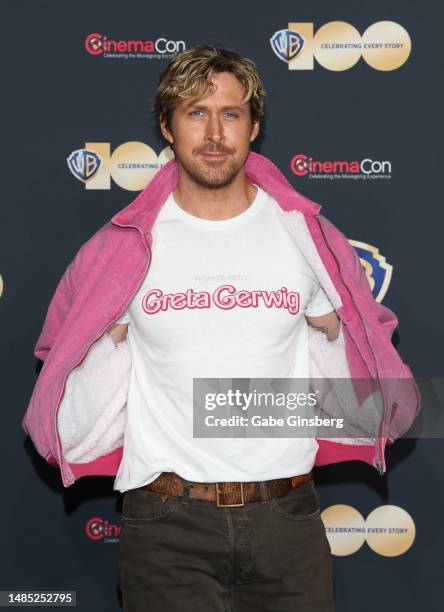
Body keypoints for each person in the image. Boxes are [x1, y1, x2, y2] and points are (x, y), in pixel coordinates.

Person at [22, 44, 420, 612]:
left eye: (230, 114)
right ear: (167, 125)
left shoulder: (309, 241)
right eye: (195, 113)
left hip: (288, 522)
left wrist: (331, 338)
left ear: (254, 127)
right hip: (165, 528)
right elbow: (63, 400)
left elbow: (369, 401)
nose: (214, 133)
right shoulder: (119, 251)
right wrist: (105, 344)